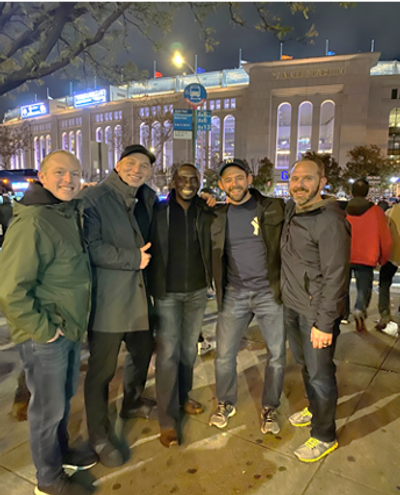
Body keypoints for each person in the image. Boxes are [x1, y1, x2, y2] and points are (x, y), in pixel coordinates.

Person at [0, 150, 96, 495]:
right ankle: (48, 477)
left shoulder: (64, 212)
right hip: (46, 336)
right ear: (41, 176)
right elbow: (10, 291)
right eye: (59, 172)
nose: (68, 179)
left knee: (62, 399)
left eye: (74, 173)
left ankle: (61, 453)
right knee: (46, 408)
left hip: (66, 328)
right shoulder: (34, 221)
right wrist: (46, 331)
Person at [82, 144, 157, 467]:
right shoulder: (95, 198)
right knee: (101, 373)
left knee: (141, 354)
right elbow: (91, 247)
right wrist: (133, 259)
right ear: (117, 164)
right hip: (108, 303)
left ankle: (132, 401)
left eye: (144, 165)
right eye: (131, 163)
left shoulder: (146, 198)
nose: (137, 169)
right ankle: (98, 436)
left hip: (139, 299)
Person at [209, 158, 286, 435]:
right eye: (228, 180)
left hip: (269, 293)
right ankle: (225, 402)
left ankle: (270, 407)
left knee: (277, 356)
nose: (234, 183)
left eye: (239, 177)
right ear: (221, 185)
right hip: (235, 294)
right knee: (224, 355)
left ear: (249, 179)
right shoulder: (216, 216)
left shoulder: (273, 207)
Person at [281, 157, 351, 463]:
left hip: (316, 313)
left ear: (322, 182)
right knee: (307, 366)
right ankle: (315, 409)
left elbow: (337, 276)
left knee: (321, 374)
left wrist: (324, 323)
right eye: (295, 179)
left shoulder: (330, 221)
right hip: (292, 307)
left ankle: (324, 435)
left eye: (307, 179)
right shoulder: (292, 211)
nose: (299, 185)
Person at [147, 163, 212, 448]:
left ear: (199, 182)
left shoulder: (206, 211)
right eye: (183, 178)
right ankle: (167, 421)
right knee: (168, 354)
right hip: (167, 294)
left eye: (193, 178)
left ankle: (183, 397)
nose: (188, 183)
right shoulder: (158, 212)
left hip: (197, 293)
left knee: (188, 352)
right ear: (173, 181)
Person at [345, 179, 392, 332]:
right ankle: (359, 309)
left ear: (351, 193)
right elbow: (385, 239)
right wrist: (383, 258)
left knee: (342, 287)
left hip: (344, 256)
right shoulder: (376, 212)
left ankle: (344, 314)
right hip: (367, 258)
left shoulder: (343, 211)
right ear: (367, 193)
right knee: (363, 289)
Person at [377, 200, 400, 332]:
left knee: (384, 284)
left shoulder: (390, 212)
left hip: (392, 254)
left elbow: (384, 235)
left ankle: (384, 316)